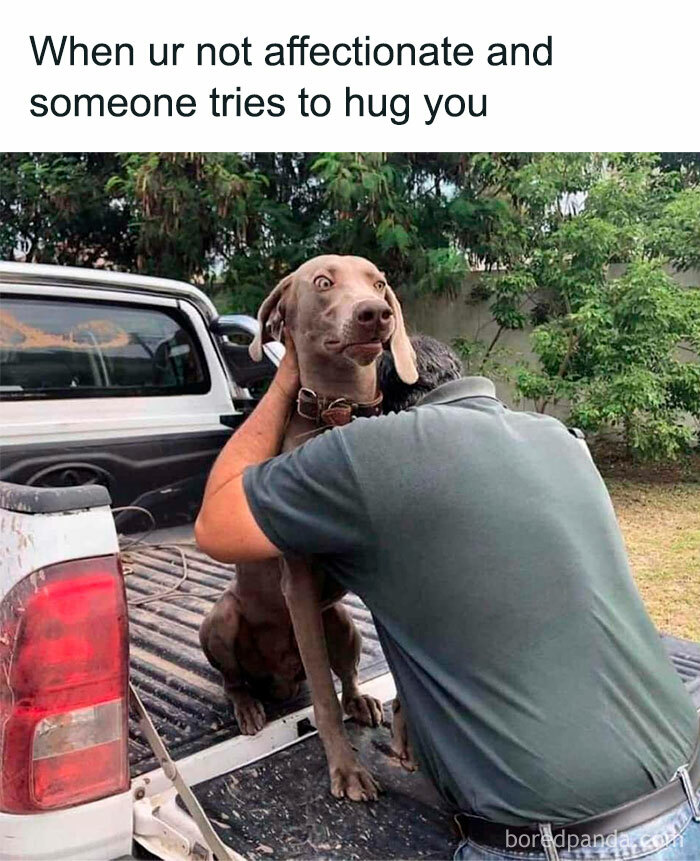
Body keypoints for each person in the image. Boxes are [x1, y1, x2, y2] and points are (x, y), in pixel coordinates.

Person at [195, 335, 700, 861]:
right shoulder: (558, 437)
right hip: (687, 784)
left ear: (376, 404)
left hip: (562, 844)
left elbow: (216, 523)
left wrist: (286, 378)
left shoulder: (367, 452)